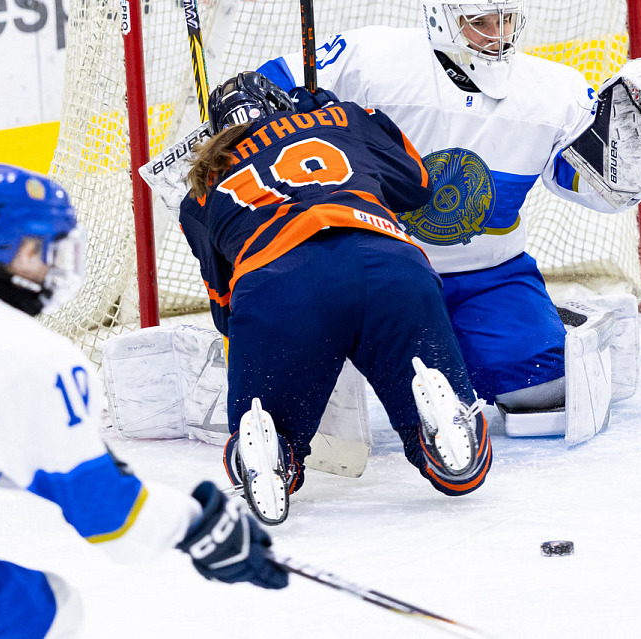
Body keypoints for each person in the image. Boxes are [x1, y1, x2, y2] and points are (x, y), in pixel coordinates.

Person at [253, 0, 641, 435]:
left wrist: (630, 178)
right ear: (441, 21)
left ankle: (483, 340)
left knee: (543, 393)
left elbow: (582, 181)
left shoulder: (554, 91)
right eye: (479, 22)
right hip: (386, 274)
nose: (496, 35)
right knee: (355, 392)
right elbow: (272, 82)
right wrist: (276, 105)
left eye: (506, 21)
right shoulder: (374, 59)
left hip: (493, 273)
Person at [0, 164, 284, 639]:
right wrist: (198, 523)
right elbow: (111, 521)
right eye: (51, 247)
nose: (63, 262)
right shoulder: (32, 358)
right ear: (22, 253)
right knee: (53, 609)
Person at [178, 72, 491, 524]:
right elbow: (418, 183)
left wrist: (259, 356)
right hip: (388, 264)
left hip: (275, 283)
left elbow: (223, 306)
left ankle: (269, 443)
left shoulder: (199, 193)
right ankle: (439, 413)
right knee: (458, 473)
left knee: (270, 417)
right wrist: (345, 111)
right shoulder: (342, 119)